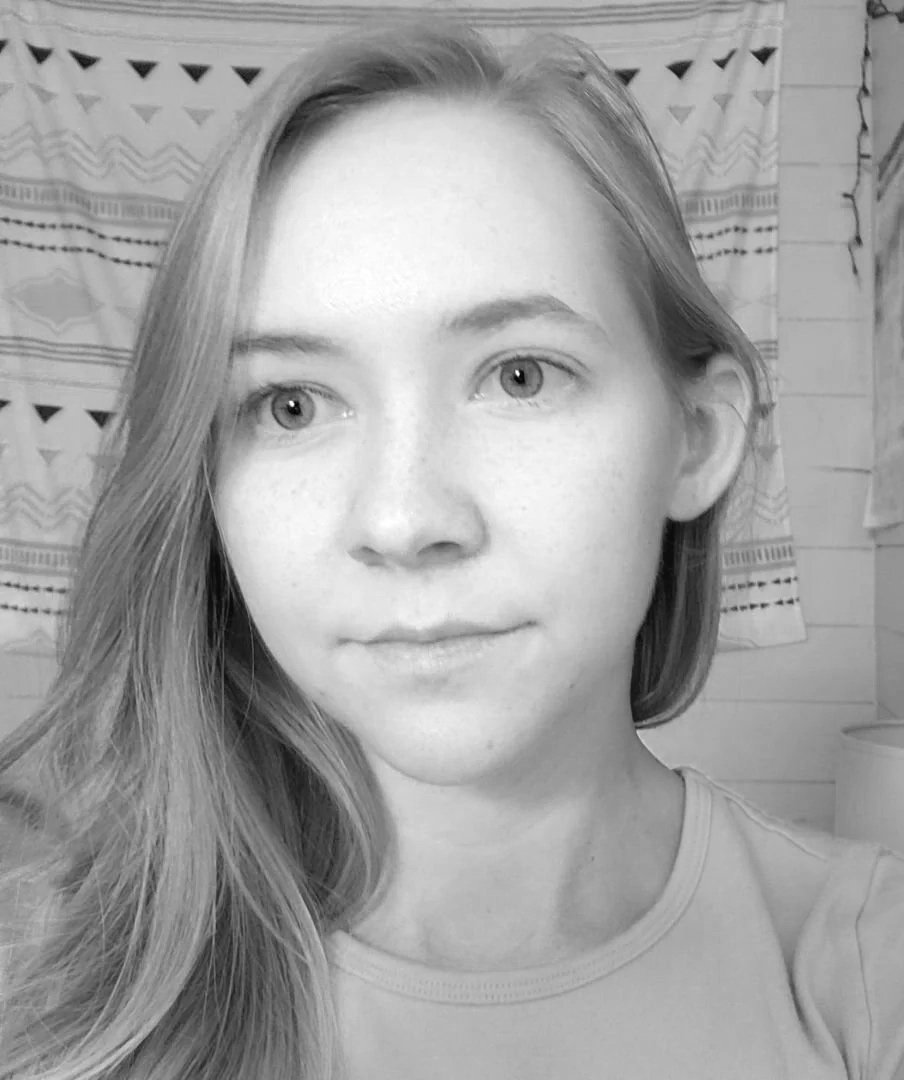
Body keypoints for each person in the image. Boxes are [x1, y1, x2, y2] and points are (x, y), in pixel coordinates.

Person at [0, 11, 902, 1079]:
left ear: (697, 437)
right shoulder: (47, 976)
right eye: (291, 404)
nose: (403, 521)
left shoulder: (866, 966)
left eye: (520, 376)